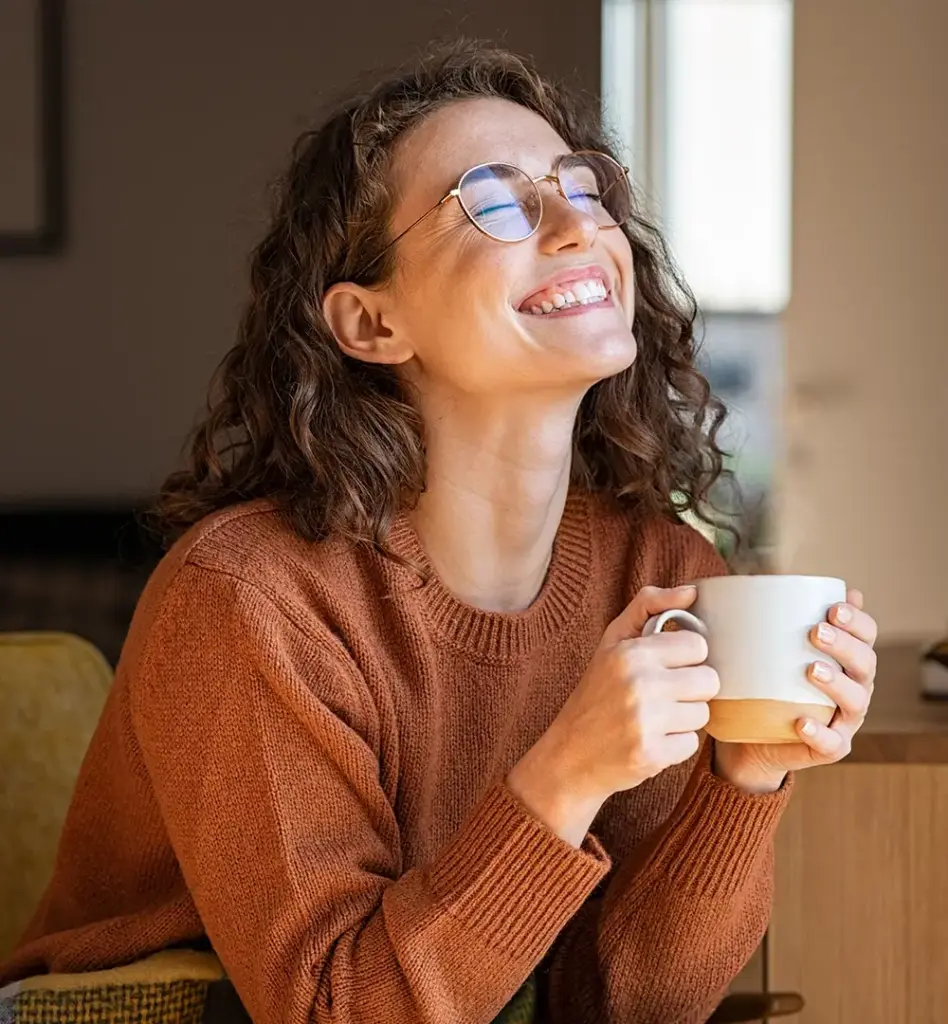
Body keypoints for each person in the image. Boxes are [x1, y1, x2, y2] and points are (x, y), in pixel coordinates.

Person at [1, 44, 878, 1024]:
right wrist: (563, 774)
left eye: (583, 188)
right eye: (495, 203)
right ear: (372, 324)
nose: (575, 227)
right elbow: (336, 1009)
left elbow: (621, 1004)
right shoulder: (250, 597)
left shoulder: (662, 574)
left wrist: (743, 776)